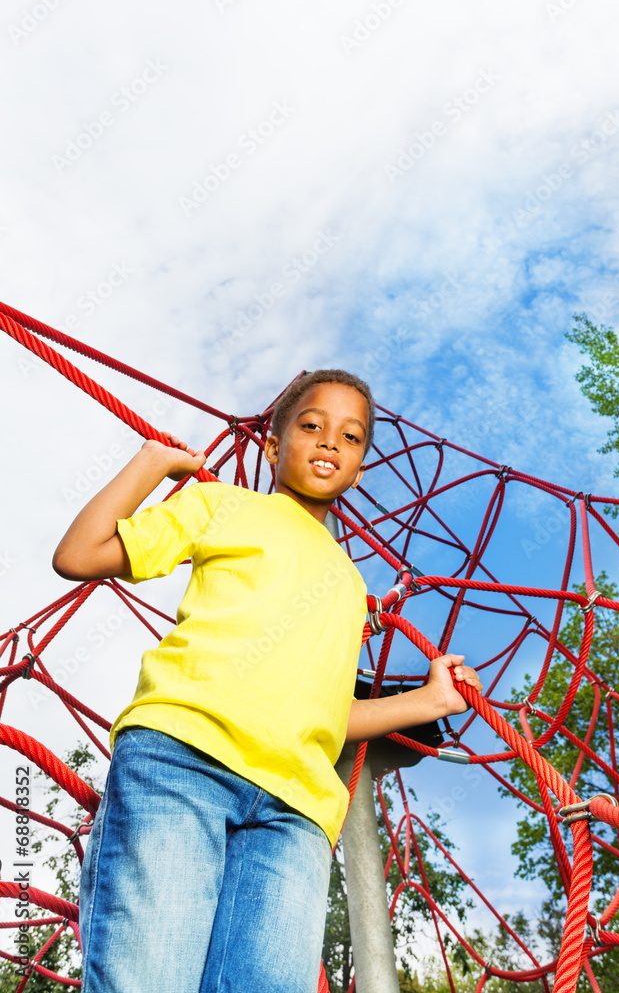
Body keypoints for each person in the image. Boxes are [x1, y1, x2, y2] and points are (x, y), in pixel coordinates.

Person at [52, 369, 482, 993]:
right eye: (311, 426)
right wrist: (151, 464)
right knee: (147, 976)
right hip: (185, 759)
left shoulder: (351, 586)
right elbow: (79, 554)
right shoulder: (222, 504)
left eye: (351, 437)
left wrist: (429, 699)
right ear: (274, 447)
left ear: (360, 468)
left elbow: (327, 714)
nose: (330, 443)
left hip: (296, 808)